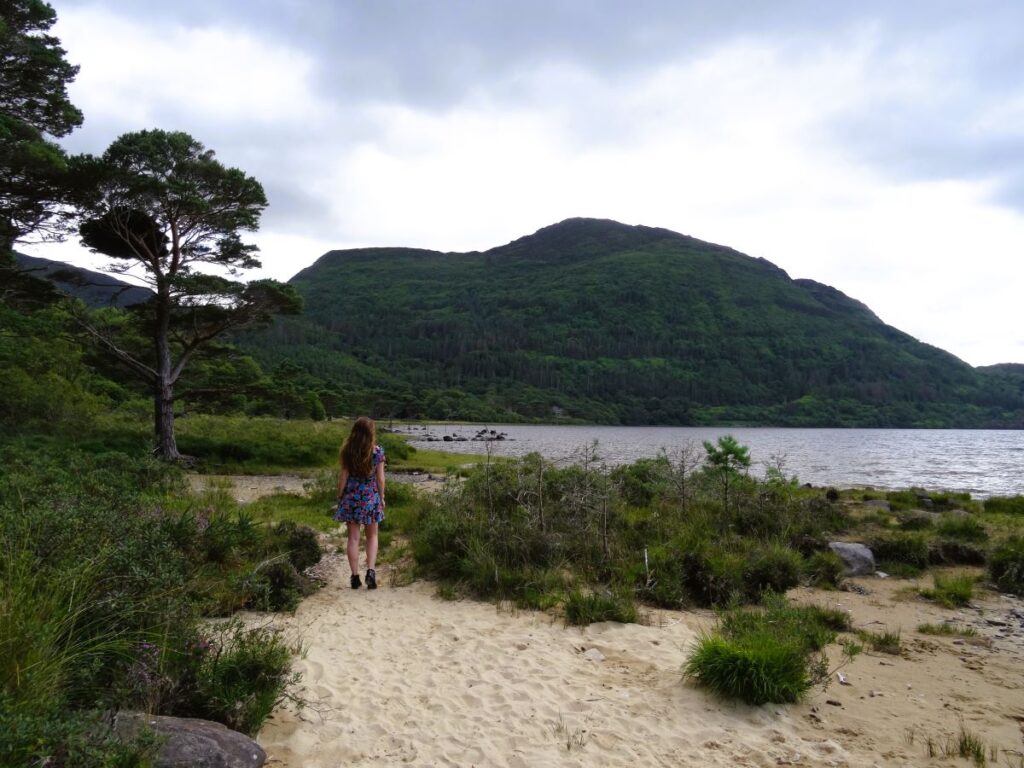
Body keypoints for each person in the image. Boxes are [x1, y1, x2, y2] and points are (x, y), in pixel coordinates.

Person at [335, 416, 386, 589]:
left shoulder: (347, 450)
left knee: (353, 538)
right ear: (371, 433)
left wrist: (340, 496)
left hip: (351, 499)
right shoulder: (377, 452)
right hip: (371, 498)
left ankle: (355, 576)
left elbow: (343, 477)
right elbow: (380, 479)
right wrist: (382, 497)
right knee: (372, 536)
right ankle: (371, 571)